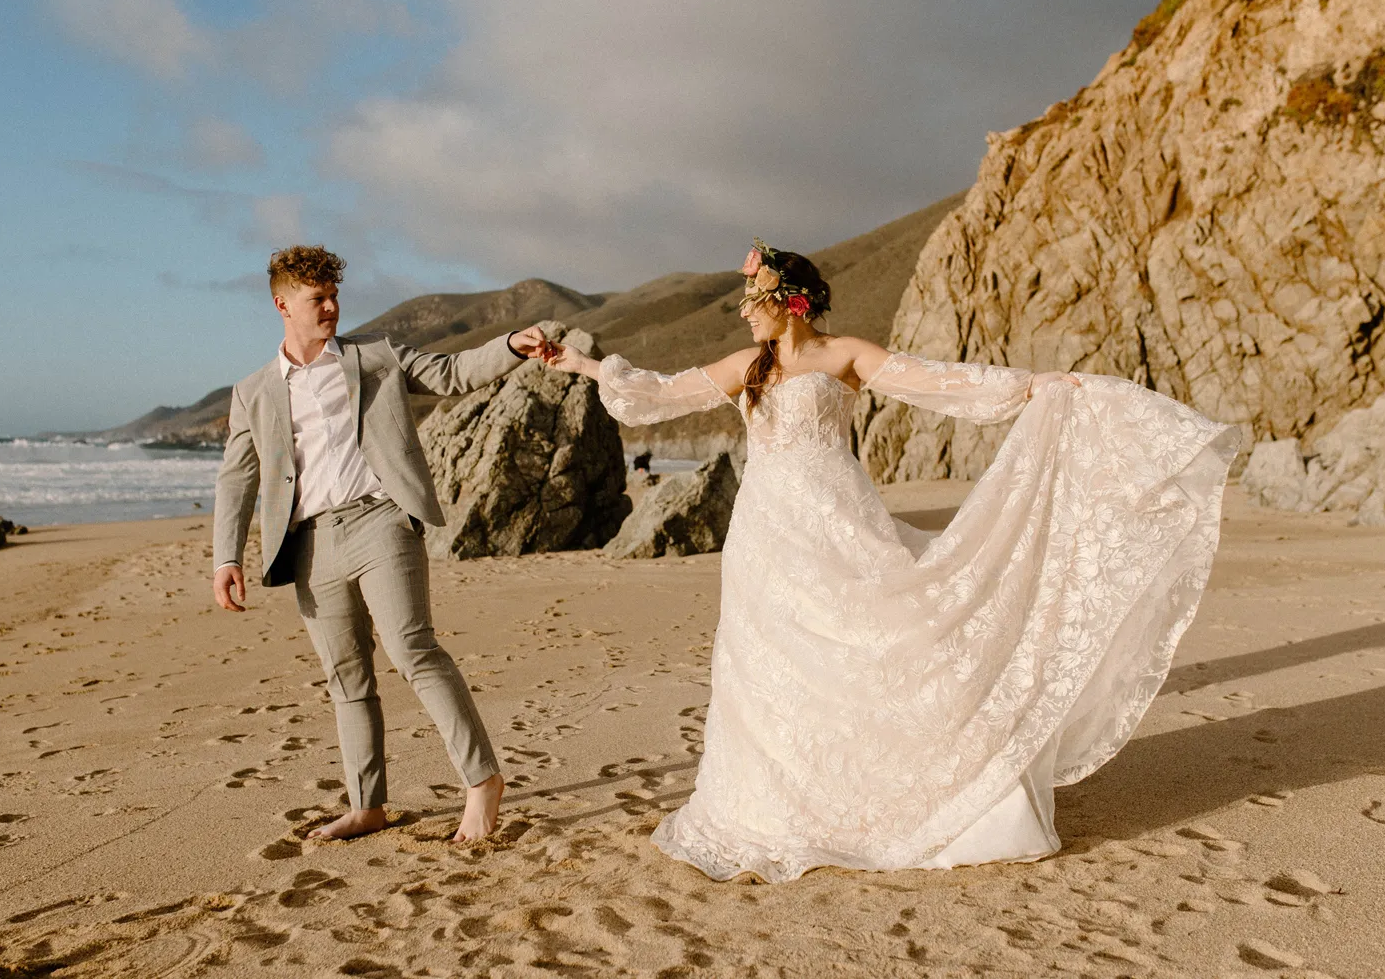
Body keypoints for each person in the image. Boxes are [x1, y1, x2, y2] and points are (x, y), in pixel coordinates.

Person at [543, 240, 1237, 882]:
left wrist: (1031, 386)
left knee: (888, 638)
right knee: (770, 669)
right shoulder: (747, 367)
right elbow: (660, 393)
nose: (744, 315)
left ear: (788, 300)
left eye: (752, 303)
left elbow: (936, 382)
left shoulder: (842, 353)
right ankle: (770, 810)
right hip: (766, 535)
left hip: (841, 524)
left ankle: (939, 795)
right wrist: (582, 363)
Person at [212, 245, 553, 843]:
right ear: (282, 304)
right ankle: (367, 805)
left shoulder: (376, 355)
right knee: (346, 677)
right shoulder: (255, 391)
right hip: (309, 544)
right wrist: (227, 557)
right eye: (317, 298)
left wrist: (508, 347)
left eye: (334, 295)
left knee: (414, 649)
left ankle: (481, 782)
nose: (331, 307)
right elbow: (237, 477)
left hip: (381, 522)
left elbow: (449, 375)